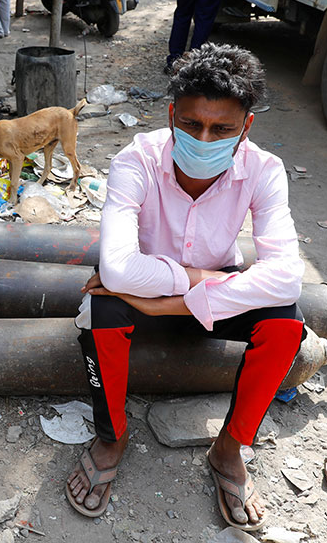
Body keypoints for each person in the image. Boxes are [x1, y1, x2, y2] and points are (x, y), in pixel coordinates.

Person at [67, 43, 304, 532]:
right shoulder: (137, 161)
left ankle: (230, 448)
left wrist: (172, 302)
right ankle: (111, 437)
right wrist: (196, 283)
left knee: (287, 322)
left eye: (222, 129)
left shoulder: (264, 170)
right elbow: (116, 268)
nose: (204, 138)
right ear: (171, 115)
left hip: (176, 294)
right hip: (156, 290)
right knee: (101, 309)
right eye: (192, 124)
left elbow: (286, 276)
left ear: (247, 127)